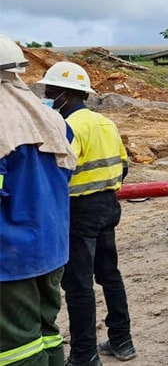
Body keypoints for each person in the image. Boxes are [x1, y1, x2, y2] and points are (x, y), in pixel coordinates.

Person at [39, 61, 136, 366]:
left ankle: (84, 354)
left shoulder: (69, 127)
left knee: (78, 284)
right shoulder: (106, 123)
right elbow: (123, 165)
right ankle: (122, 340)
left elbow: (58, 171)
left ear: (66, 94)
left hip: (80, 211)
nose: (47, 96)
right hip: (108, 206)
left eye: (50, 91)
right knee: (109, 275)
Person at [0, 34, 76, 366]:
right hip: (52, 247)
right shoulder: (52, 120)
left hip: (11, 257)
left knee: (16, 344)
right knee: (47, 331)